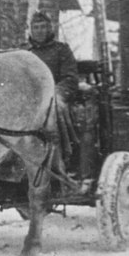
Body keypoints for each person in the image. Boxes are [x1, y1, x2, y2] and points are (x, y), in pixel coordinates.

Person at [27, 10, 79, 166]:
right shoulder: (25, 52)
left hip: (55, 96)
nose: (39, 31)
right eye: (35, 27)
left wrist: (52, 93)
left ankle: (62, 157)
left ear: (50, 28)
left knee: (54, 107)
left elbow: (70, 79)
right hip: (28, 98)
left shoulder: (62, 50)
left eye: (43, 27)